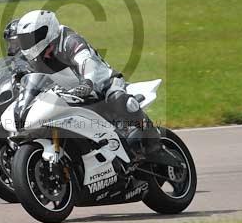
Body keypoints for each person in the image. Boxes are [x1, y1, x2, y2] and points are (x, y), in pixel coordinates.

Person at [13, 9, 163, 160]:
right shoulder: (35, 55)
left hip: (102, 85)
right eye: (25, 39)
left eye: (33, 37)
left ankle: (152, 139)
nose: (29, 42)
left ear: (48, 29)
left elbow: (85, 60)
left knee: (119, 100)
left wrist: (87, 82)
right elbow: (31, 76)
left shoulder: (69, 40)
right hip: (70, 95)